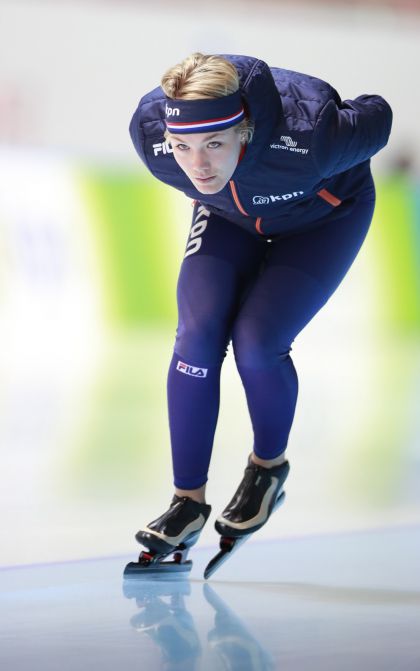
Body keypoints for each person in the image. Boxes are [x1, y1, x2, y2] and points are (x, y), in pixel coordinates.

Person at [129, 52, 392, 558]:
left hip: (324, 218)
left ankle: (267, 470)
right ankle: (186, 502)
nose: (198, 165)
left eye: (214, 144)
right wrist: (205, 163)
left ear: (244, 130)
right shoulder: (150, 137)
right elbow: (194, 160)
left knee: (257, 343)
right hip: (228, 217)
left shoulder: (314, 137)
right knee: (196, 336)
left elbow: (378, 112)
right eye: (183, 146)